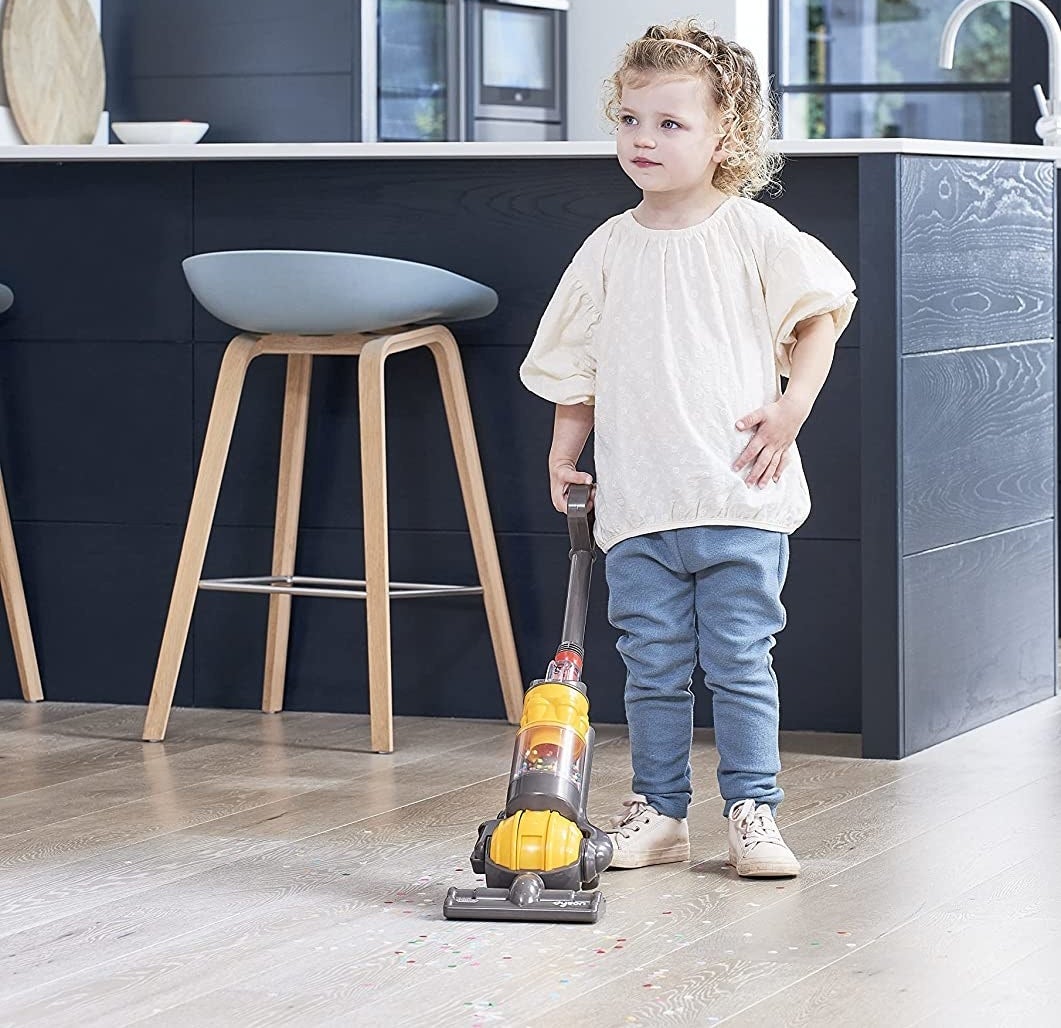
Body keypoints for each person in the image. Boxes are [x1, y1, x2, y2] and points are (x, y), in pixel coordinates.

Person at [519, 19, 856, 878]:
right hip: (638, 504)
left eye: (670, 124)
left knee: (741, 663)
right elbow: (576, 367)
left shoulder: (752, 234)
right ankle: (660, 811)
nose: (643, 139)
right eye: (631, 119)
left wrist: (791, 410)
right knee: (652, 669)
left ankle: (753, 811)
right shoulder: (606, 246)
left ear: (724, 135)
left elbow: (818, 315)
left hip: (737, 494)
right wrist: (565, 454)